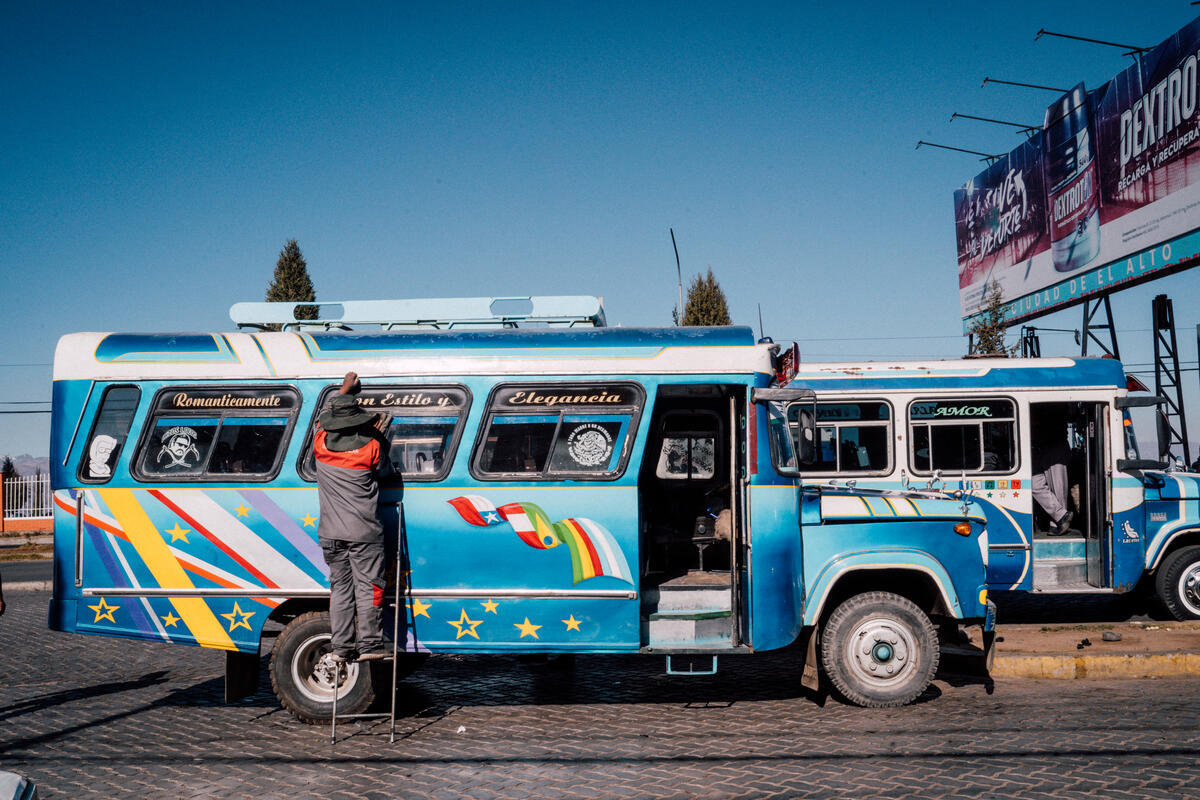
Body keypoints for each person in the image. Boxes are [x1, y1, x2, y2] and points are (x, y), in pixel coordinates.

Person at [315, 372, 392, 664]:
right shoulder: (372, 448)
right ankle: (370, 644)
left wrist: (344, 390)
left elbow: (326, 415)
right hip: (364, 534)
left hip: (331, 534)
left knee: (341, 591)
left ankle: (342, 648)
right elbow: (384, 472)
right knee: (369, 587)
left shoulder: (320, 444)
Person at [1031, 405, 1080, 537]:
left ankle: (1057, 524)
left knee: (1058, 489)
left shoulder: (1053, 405)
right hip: (1041, 448)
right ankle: (1061, 516)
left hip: (1055, 446)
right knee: (1034, 484)